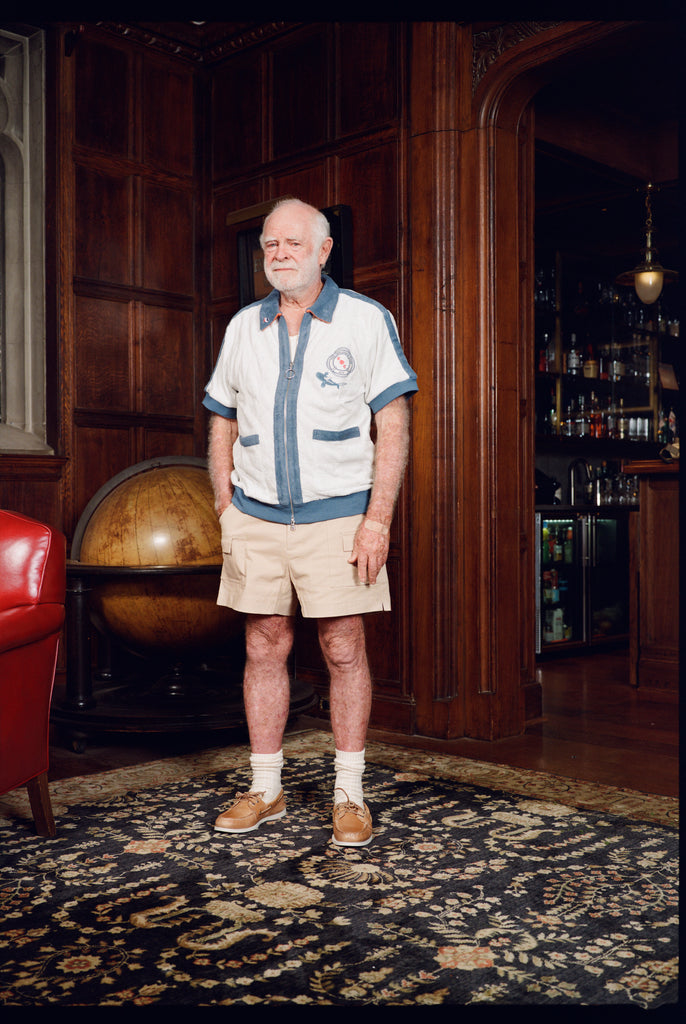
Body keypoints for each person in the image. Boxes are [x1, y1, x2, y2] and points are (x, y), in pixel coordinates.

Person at [203, 197, 417, 847]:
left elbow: (393, 425)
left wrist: (377, 520)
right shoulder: (243, 327)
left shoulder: (366, 320)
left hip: (340, 516)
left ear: (324, 251)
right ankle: (265, 789)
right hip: (256, 517)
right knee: (263, 644)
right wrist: (225, 505)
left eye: (293, 243)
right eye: (270, 244)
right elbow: (221, 420)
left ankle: (349, 794)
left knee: (343, 647)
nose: (279, 254)